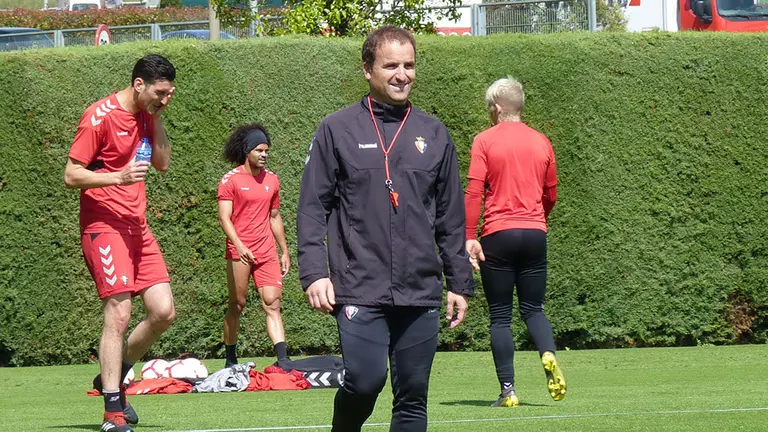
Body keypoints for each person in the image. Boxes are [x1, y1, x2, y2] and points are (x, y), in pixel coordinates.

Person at [297, 26, 474, 432]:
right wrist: (315, 273)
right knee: (365, 380)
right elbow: (312, 208)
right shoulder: (337, 129)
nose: (402, 74)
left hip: (420, 288)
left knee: (412, 396)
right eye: (391, 65)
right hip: (359, 284)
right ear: (367, 69)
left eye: (409, 65)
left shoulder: (434, 133)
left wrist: (459, 283)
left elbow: (450, 216)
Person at [64, 54, 177, 432]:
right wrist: (118, 177)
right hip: (104, 226)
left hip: (137, 227)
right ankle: (112, 412)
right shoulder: (99, 116)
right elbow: (71, 174)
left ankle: (113, 376)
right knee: (120, 312)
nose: (164, 99)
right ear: (138, 84)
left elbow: (162, 163)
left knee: (163, 312)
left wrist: (156, 116)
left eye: (169, 94)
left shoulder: (148, 115)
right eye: (159, 93)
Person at [464, 76, 567, 407]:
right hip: (535, 233)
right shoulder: (542, 142)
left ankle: (508, 390)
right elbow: (551, 194)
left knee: (499, 316)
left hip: (498, 234)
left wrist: (469, 236)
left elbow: (474, 192)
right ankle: (547, 353)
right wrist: (538, 220)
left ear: (496, 108)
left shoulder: (484, 140)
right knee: (533, 309)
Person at [217, 123, 291, 367]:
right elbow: (224, 218)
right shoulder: (230, 180)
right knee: (237, 304)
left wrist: (284, 250)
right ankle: (230, 359)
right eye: (259, 150)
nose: (264, 155)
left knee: (272, 302)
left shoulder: (272, 180)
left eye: (266, 151)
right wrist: (238, 245)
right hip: (240, 251)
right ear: (247, 151)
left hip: (266, 250)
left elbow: (274, 216)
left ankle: (283, 360)